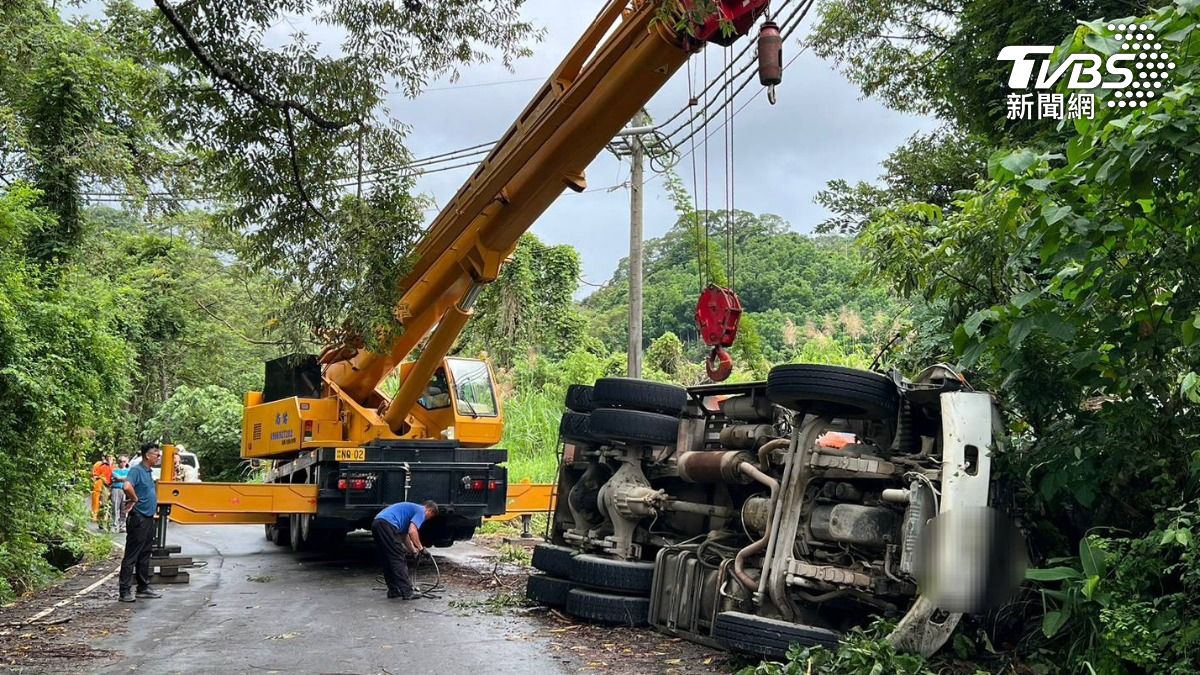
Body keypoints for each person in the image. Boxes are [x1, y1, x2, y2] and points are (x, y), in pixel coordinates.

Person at [118, 443, 163, 603]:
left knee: (145, 554)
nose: (158, 457)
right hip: (139, 518)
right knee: (132, 555)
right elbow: (127, 486)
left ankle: (143, 587)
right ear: (147, 455)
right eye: (156, 454)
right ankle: (124, 591)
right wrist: (135, 499)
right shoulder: (137, 470)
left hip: (148, 518)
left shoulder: (148, 472)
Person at [371, 500, 438, 600]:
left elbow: (405, 536)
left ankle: (393, 590)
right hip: (386, 524)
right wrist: (421, 549)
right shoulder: (421, 510)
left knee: (388, 559)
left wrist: (414, 551)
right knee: (398, 559)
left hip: (377, 523)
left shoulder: (409, 512)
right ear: (429, 510)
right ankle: (407, 592)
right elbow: (412, 531)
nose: (426, 519)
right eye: (430, 517)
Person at [90, 456, 114, 524]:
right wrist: (101, 478)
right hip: (100, 486)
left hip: (111, 486)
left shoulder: (114, 467)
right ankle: (96, 515)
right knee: (98, 501)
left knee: (108, 502)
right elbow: (94, 475)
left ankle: (107, 517)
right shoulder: (100, 465)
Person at [110, 456, 130, 533]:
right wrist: (122, 478)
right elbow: (117, 477)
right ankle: (114, 525)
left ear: (126, 462)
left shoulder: (129, 471)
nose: (122, 463)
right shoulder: (115, 470)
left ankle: (122, 526)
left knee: (124, 509)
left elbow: (129, 478)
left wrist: (119, 479)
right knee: (115, 508)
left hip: (125, 490)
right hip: (116, 489)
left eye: (124, 461)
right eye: (121, 461)